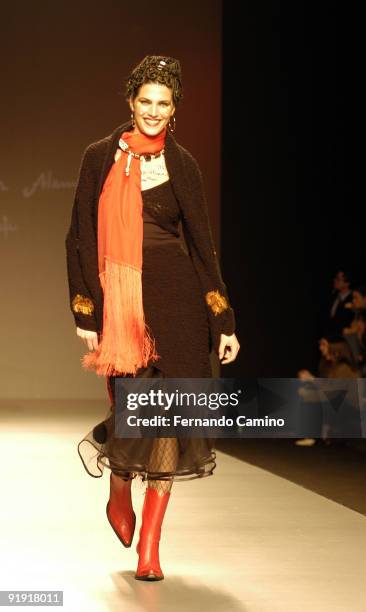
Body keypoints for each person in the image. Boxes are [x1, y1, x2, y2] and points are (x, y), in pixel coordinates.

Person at [65, 55, 240, 581]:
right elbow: (78, 236)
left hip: (180, 304)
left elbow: (203, 248)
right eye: (146, 102)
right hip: (124, 307)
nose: (154, 112)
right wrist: (85, 307)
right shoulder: (100, 157)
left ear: (174, 108)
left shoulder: (182, 164)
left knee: (171, 418)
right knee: (133, 412)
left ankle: (150, 546)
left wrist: (223, 320)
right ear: (131, 102)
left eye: (163, 104)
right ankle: (120, 487)